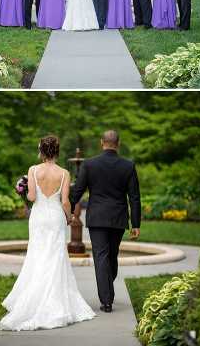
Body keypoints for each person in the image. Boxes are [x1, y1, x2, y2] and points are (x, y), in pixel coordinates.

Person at [0, 136, 95, 330]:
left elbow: (32, 196)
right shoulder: (64, 173)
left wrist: (24, 192)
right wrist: (68, 217)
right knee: (56, 256)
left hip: (39, 217)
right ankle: (54, 302)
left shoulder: (33, 170)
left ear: (41, 151)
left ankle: (32, 299)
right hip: (56, 217)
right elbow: (66, 202)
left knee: (37, 255)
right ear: (57, 152)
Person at [69, 130, 141, 313]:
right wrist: (136, 224)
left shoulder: (90, 164)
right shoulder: (128, 165)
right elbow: (134, 197)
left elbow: (77, 191)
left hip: (97, 217)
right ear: (118, 143)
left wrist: (67, 211)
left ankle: (106, 295)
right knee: (111, 256)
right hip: (118, 218)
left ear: (102, 142)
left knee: (102, 257)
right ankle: (107, 298)